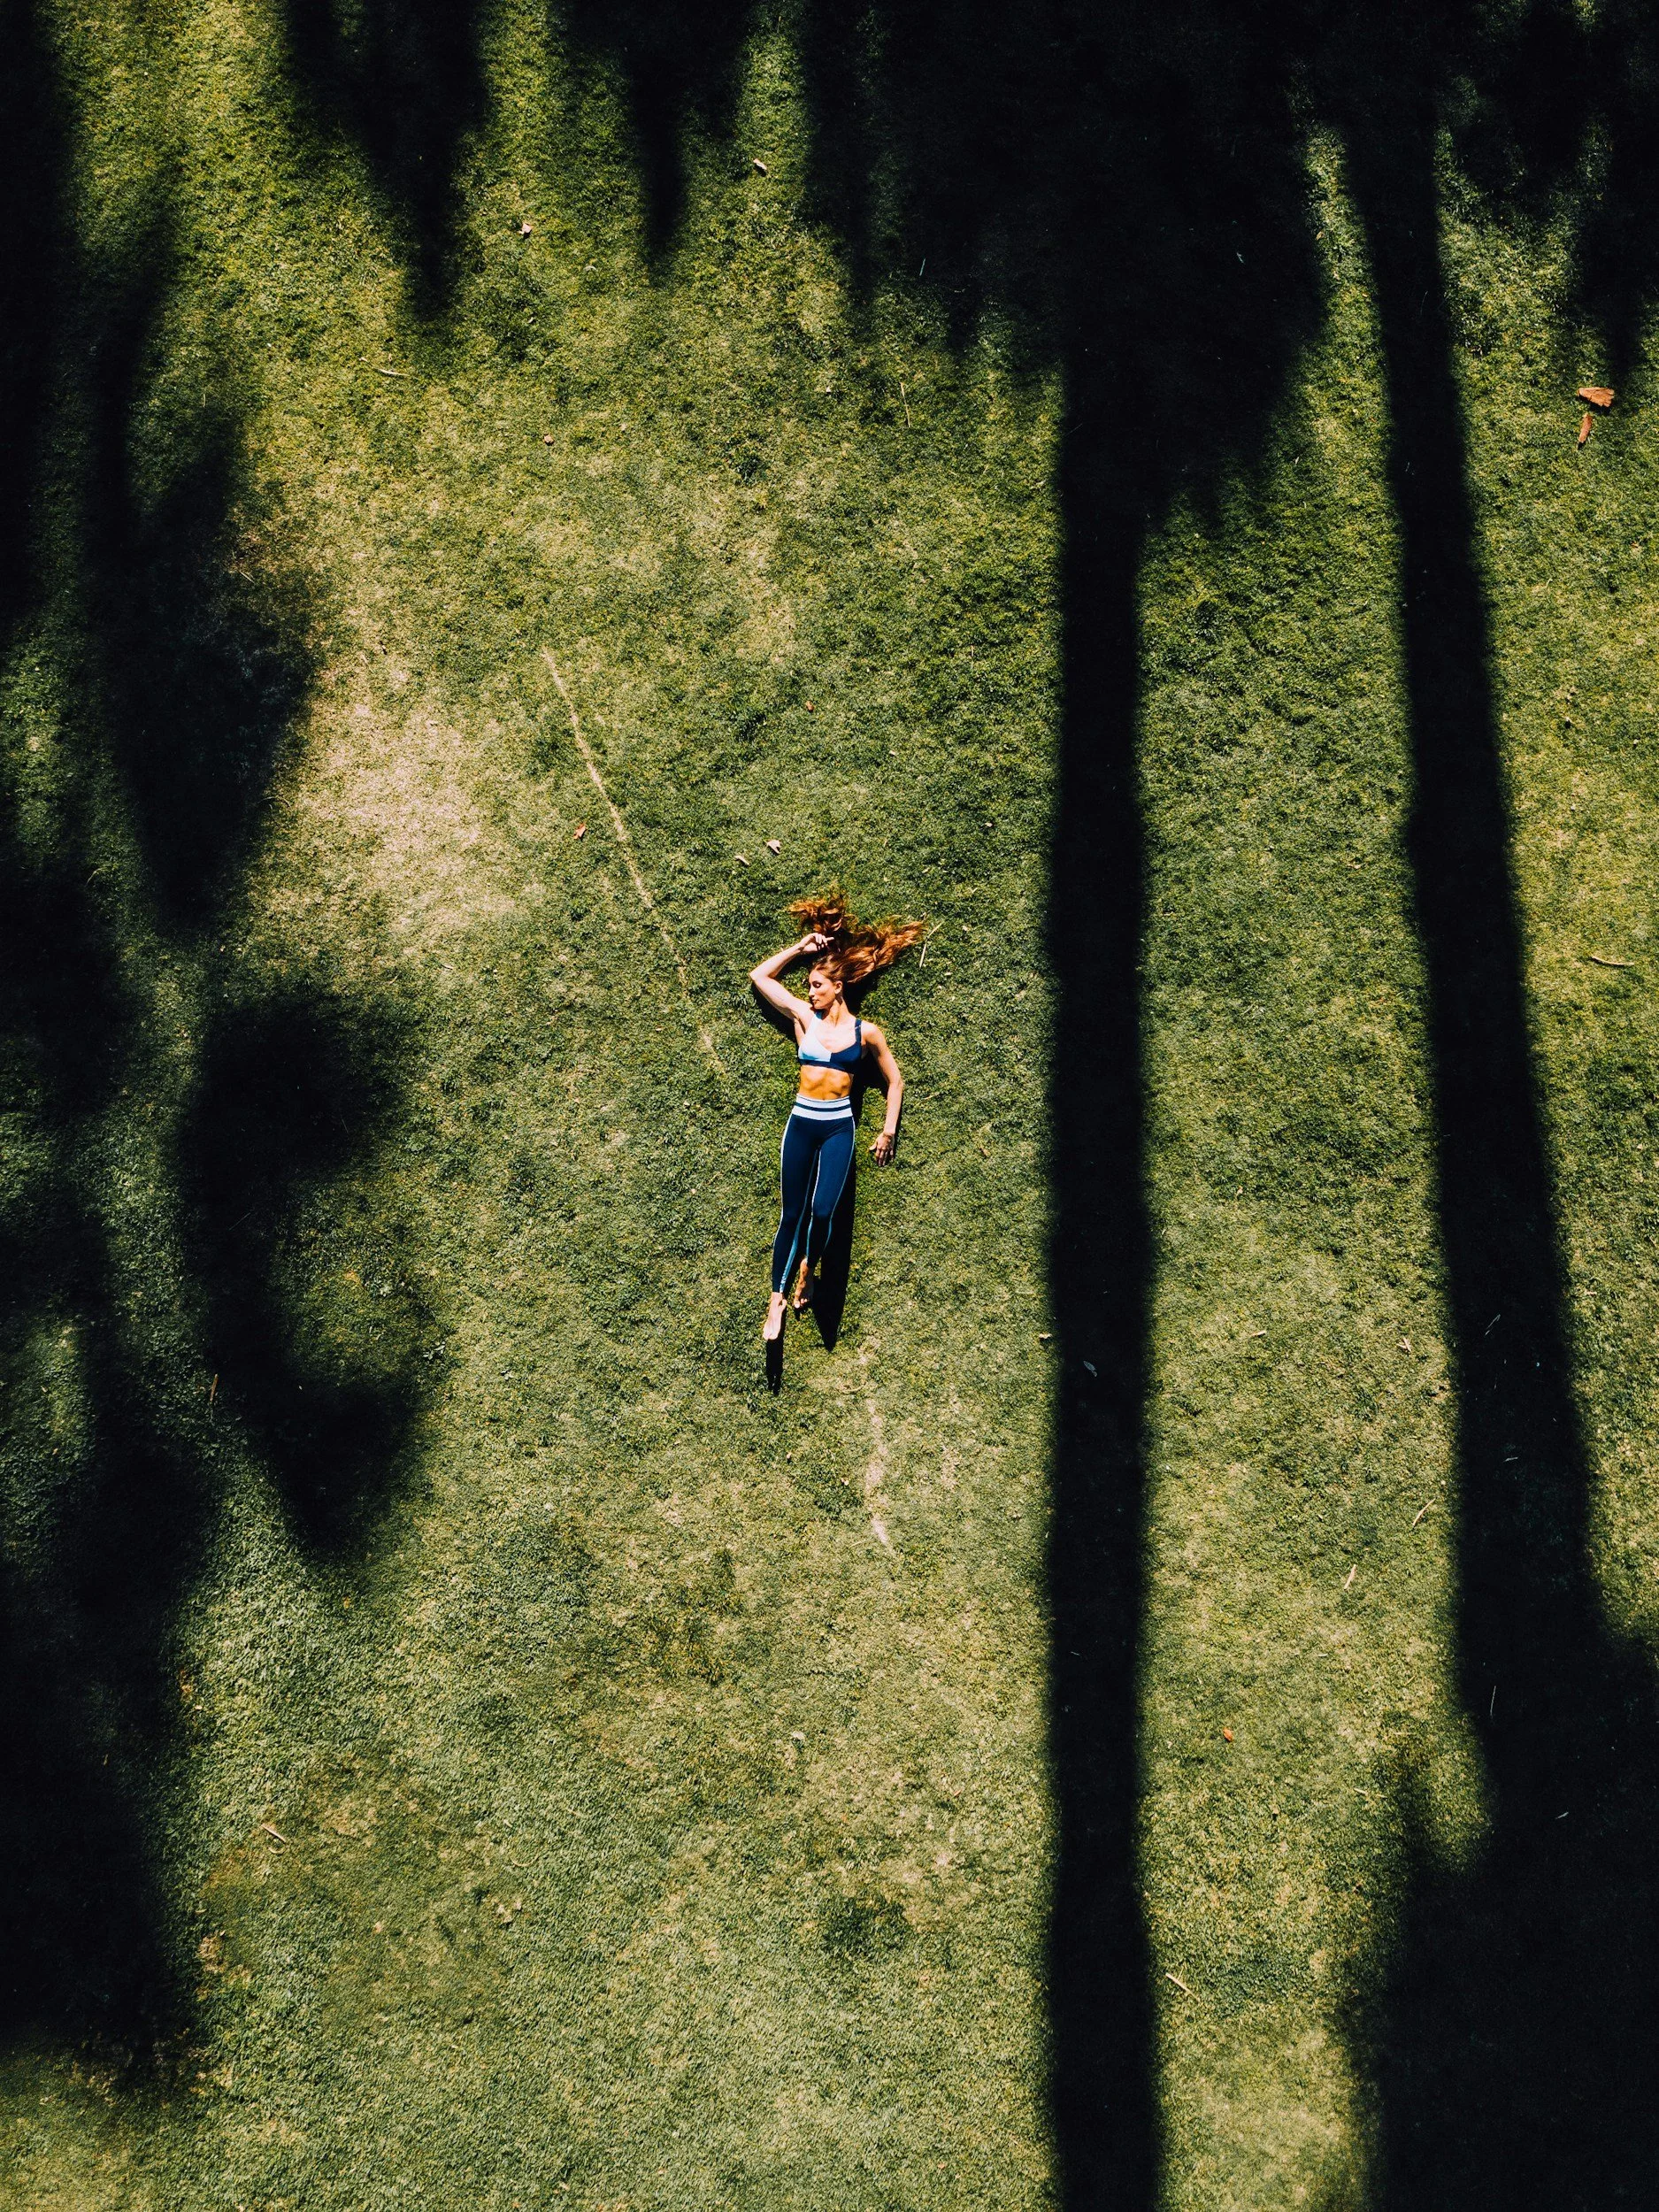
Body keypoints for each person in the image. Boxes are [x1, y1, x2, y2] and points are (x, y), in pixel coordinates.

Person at [749, 891, 923, 1344]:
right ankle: (776, 1299)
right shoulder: (805, 1018)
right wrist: (798, 950)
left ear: (838, 987)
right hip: (802, 1123)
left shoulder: (866, 1033)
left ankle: (808, 1269)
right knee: (792, 1213)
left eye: (817, 985)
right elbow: (760, 977)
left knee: (823, 1211)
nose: (811, 992)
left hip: (838, 1127)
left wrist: (887, 1131)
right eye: (808, 986)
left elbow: (894, 1082)